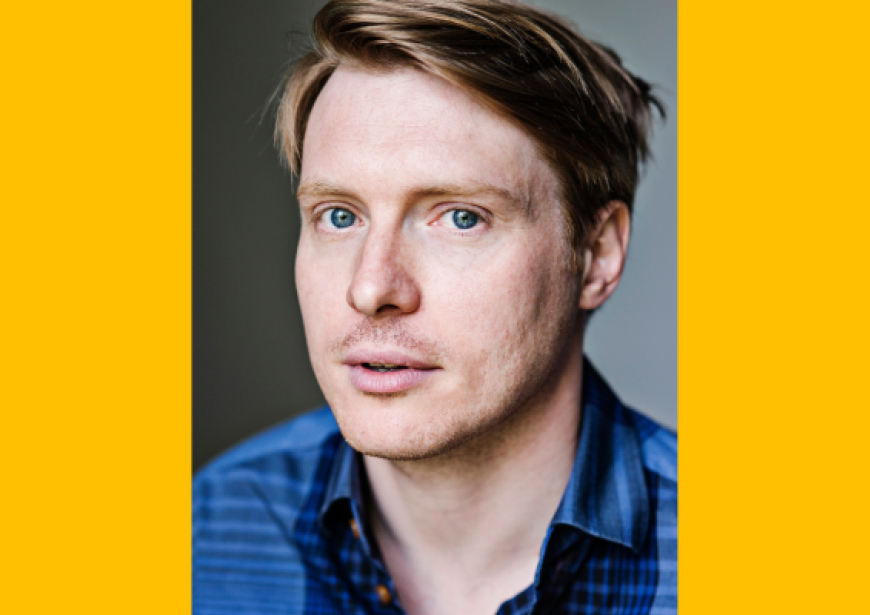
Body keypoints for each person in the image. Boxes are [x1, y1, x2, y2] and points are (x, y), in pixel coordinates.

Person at [192, 1, 677, 613]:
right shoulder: (211, 530)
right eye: (339, 216)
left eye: (461, 218)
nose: (371, 289)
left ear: (596, 255)